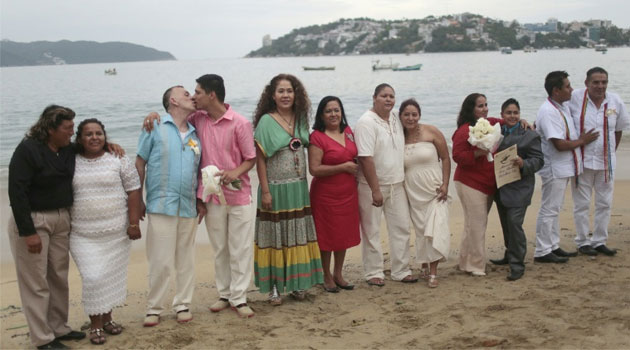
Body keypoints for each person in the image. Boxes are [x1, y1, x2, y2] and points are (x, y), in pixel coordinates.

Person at [7, 105, 86, 349]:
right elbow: (16, 191)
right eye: (67, 128)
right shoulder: (28, 150)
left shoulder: (67, 149)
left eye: (73, 127)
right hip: (34, 220)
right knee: (36, 282)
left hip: (62, 218)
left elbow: (94, 144)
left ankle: (59, 328)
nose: (72, 133)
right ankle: (42, 338)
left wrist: (111, 145)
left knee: (58, 278)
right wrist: (28, 231)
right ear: (51, 128)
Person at [69, 119, 142, 344]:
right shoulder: (69, 161)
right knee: (93, 277)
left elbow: (133, 190)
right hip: (82, 234)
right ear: (79, 138)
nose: (94, 138)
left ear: (105, 136)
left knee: (110, 277)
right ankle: (96, 324)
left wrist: (133, 223)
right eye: (88, 134)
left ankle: (108, 319)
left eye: (98, 133)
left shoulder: (118, 158)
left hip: (116, 232)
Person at [253, 74, 324, 305]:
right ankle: (274, 287)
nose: (286, 95)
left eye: (289, 91)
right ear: (272, 95)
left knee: (297, 235)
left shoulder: (301, 118)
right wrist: (265, 191)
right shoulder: (266, 121)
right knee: (275, 237)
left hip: (298, 187)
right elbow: (260, 159)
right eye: (281, 91)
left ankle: (296, 284)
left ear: (296, 94)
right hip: (275, 188)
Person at [190, 74, 257, 318]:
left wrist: (234, 172)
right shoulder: (197, 119)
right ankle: (225, 294)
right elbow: (174, 115)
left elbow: (250, 158)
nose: (193, 96)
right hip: (211, 195)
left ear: (212, 95)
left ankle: (239, 297)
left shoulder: (240, 123)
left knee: (239, 248)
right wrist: (153, 117)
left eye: (197, 92)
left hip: (239, 195)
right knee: (220, 248)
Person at [136, 86, 202, 327]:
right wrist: (137, 200)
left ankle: (183, 303)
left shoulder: (196, 132)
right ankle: (154, 307)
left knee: (186, 258)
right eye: (186, 94)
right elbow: (140, 162)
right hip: (160, 203)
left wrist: (201, 200)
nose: (191, 97)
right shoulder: (154, 126)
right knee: (160, 260)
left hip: (188, 205)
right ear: (173, 100)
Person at [355, 83, 417, 286]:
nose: (389, 99)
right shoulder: (366, 122)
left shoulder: (396, 117)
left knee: (401, 228)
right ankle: (374, 272)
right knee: (371, 230)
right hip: (371, 186)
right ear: (374, 98)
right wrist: (375, 190)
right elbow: (365, 158)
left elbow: (415, 125)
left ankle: (401, 270)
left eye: (392, 96)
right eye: (384, 96)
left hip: (397, 184)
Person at [534, 71, 598, 263]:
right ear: (556, 90)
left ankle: (553, 245)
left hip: (564, 166)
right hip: (554, 167)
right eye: (568, 86)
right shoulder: (548, 111)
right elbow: (559, 144)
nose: (571, 90)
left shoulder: (561, 106)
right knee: (549, 209)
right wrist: (583, 141)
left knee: (555, 207)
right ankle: (542, 250)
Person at [569, 67, 630, 256]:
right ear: (587, 83)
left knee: (605, 203)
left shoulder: (615, 100)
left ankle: (599, 240)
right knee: (582, 204)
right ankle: (582, 241)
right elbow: (557, 114)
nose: (600, 86)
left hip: (606, 163)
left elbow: (619, 129)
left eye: (604, 82)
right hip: (583, 161)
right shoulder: (575, 98)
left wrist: (611, 151)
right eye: (596, 82)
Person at [308, 96, 360, 293]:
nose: (333, 114)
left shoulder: (348, 132)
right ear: (321, 115)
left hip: (348, 192)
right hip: (326, 195)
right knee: (326, 235)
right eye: (328, 111)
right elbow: (314, 169)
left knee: (343, 234)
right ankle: (326, 274)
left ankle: (338, 273)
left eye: (336, 110)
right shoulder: (317, 137)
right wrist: (343, 167)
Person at [399, 98, 451, 288]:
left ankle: (433, 272)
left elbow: (445, 158)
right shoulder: (398, 137)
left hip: (434, 189)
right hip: (412, 191)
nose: (411, 118)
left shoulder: (432, 131)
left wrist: (446, 184)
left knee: (434, 229)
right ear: (401, 117)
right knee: (421, 230)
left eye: (414, 114)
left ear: (419, 115)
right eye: (406, 114)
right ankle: (423, 264)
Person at [489, 99, 544, 281]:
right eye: (508, 113)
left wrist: (524, 163)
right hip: (500, 185)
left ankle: (517, 264)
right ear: (502, 114)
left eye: (515, 113)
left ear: (520, 114)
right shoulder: (496, 131)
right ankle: (509, 253)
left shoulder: (530, 134)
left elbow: (538, 160)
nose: (512, 116)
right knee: (506, 223)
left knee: (514, 223)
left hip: (520, 187)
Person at [451, 93, 502, 276]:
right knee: (478, 226)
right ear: (471, 109)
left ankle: (465, 262)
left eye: (486, 105)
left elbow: (501, 122)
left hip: (486, 182)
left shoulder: (486, 124)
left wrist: (521, 121)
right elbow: (457, 156)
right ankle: (476, 266)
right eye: (480, 106)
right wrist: (478, 154)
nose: (485, 109)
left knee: (471, 225)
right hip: (470, 183)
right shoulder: (465, 130)